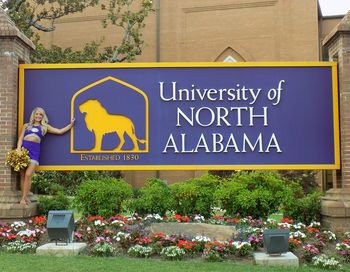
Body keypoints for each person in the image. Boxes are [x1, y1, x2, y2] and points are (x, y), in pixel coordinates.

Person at [16, 107, 75, 206]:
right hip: (23, 152)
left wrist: (71, 125)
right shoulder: (26, 126)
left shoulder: (45, 127)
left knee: (28, 175)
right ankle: (24, 198)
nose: (38, 116)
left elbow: (59, 131)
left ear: (43, 117)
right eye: (37, 114)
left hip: (34, 152)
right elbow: (20, 138)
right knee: (22, 175)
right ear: (33, 115)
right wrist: (18, 149)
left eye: (40, 115)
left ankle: (24, 198)